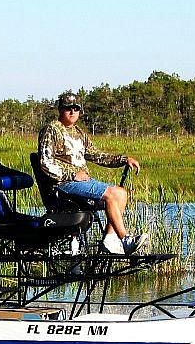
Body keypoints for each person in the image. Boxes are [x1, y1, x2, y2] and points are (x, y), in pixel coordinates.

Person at [38, 93, 147, 255]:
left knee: (120, 193)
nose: (72, 112)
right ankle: (126, 239)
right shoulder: (51, 130)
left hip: (82, 183)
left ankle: (110, 240)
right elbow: (45, 163)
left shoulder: (79, 132)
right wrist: (72, 174)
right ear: (60, 109)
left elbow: (97, 155)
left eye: (76, 108)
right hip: (63, 185)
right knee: (110, 194)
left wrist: (124, 159)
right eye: (68, 108)